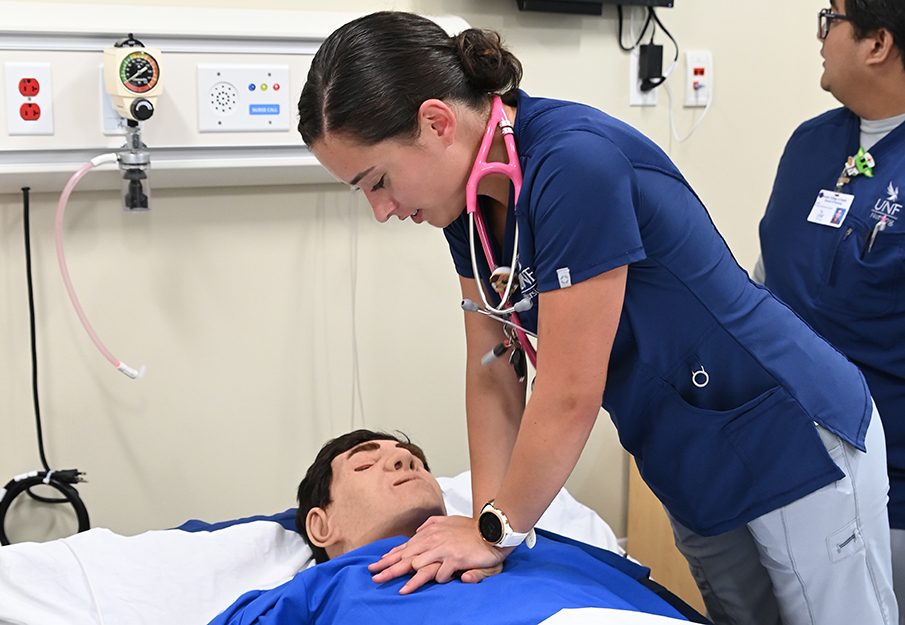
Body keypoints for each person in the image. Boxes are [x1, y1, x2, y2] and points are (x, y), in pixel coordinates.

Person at [296, 12, 897, 625]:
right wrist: (489, 526)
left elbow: (568, 391)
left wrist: (495, 531)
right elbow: (492, 368)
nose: (381, 209)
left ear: (437, 122)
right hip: (685, 457)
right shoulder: (467, 210)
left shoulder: (572, 163)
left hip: (789, 433)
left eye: (378, 181)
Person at [208, 429, 702, 624]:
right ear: (321, 525)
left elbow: (658, 601)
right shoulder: (322, 588)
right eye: (365, 465)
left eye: (411, 460)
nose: (401, 461)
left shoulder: (525, 541)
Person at [756, 1, 905, 620]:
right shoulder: (811, 143)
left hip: (888, 480)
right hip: (782, 461)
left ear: (877, 44)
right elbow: (765, 287)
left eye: (832, 18)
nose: (819, 35)